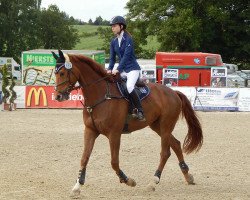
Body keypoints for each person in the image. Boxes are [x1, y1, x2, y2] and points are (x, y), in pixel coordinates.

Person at [107, 16, 146, 121]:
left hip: (132, 68)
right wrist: (109, 69)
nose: (112, 28)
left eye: (114, 26)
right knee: (115, 84)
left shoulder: (128, 39)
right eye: (112, 26)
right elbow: (111, 58)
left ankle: (140, 111)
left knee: (129, 86)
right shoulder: (113, 42)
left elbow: (126, 56)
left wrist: (118, 69)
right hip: (123, 69)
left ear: (121, 26)